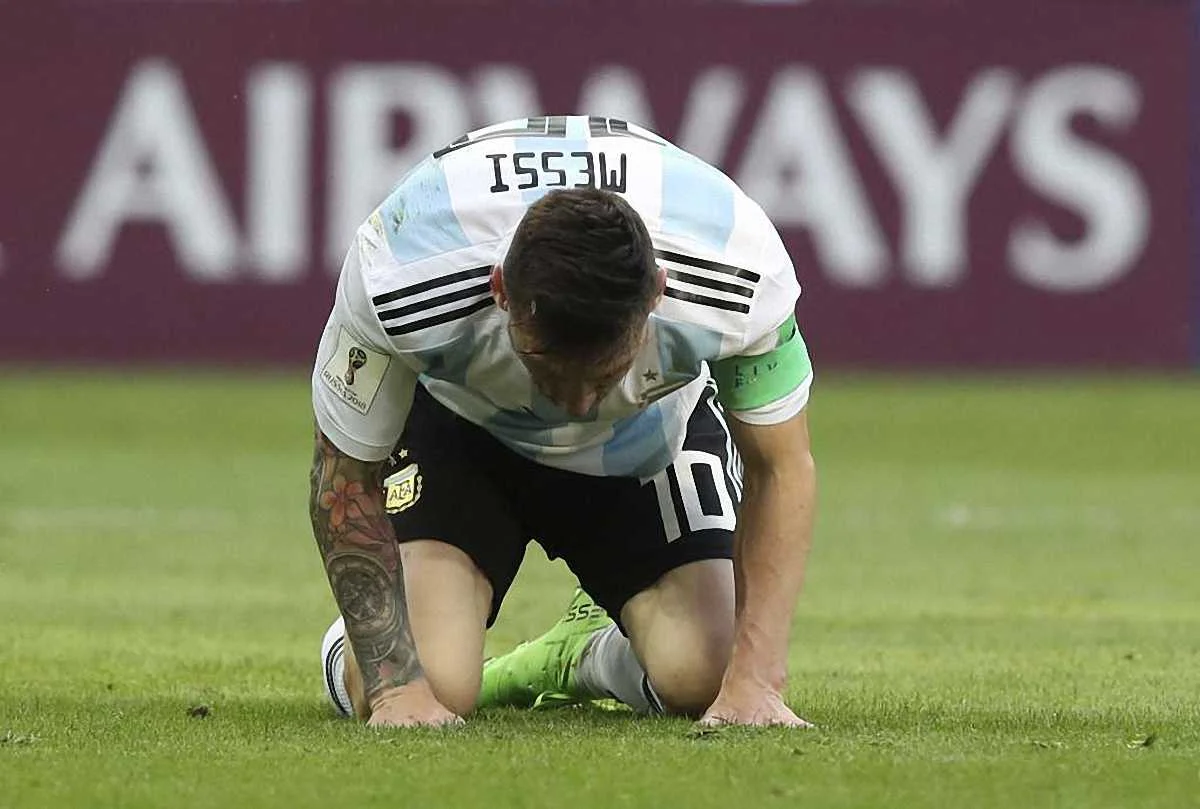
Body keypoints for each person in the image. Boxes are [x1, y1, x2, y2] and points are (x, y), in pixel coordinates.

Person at [310, 115, 816, 728]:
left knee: (708, 673)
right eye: (546, 366)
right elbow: (343, 476)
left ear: (657, 293)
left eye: (605, 373)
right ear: (500, 289)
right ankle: (367, 635)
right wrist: (394, 689)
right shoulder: (400, 265)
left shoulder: (738, 266)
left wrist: (755, 683)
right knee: (430, 683)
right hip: (463, 432)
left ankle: (584, 654)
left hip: (650, 437)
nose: (577, 406)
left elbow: (780, 468)